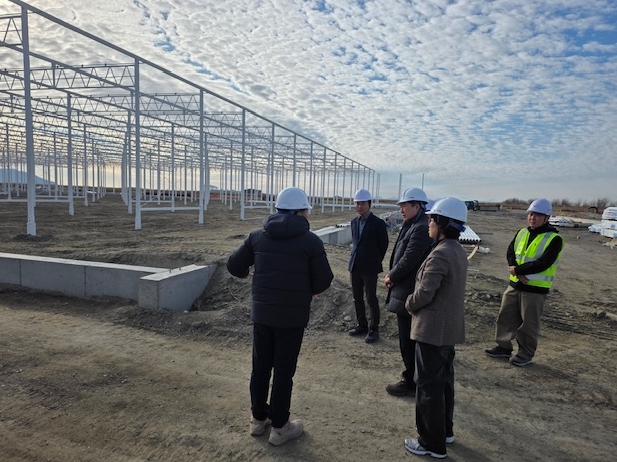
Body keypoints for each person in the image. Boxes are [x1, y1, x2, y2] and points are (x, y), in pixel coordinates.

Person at [226, 186, 334, 446]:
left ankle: (258, 419)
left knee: (260, 368)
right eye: (306, 210)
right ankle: (280, 428)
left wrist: (249, 274)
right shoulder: (311, 241)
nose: (308, 214)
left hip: (262, 315)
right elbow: (324, 280)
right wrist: (308, 288)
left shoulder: (257, 237)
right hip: (292, 319)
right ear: (299, 212)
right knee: (283, 372)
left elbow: (234, 265)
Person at [404, 197, 468, 459]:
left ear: (442, 224)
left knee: (428, 386)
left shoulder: (441, 253)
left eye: (432, 219)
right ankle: (444, 432)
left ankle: (431, 443)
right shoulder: (456, 250)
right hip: (447, 330)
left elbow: (425, 293)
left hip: (432, 331)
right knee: (443, 384)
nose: (428, 222)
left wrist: (409, 303)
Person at [485, 198, 564, 367]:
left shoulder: (554, 239)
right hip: (515, 285)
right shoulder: (522, 232)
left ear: (547, 217)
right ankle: (503, 347)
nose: (532, 218)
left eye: (537, 215)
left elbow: (544, 262)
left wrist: (519, 271)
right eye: (530, 214)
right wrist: (515, 269)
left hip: (534, 289)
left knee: (529, 323)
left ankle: (525, 353)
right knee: (505, 317)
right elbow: (510, 252)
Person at [384, 188, 432, 397]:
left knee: (408, 340)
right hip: (404, 288)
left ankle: (411, 381)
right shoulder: (412, 224)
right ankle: (413, 377)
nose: (401, 209)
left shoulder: (420, 228)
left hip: (408, 290)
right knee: (408, 339)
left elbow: (410, 258)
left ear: (417, 206)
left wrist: (392, 276)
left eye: (404, 205)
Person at [347, 188, 389, 343]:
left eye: (363, 203)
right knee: (357, 297)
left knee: (371, 298)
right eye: (357, 203)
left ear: (369, 204)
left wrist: (374, 260)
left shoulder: (378, 223)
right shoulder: (354, 222)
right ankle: (362, 325)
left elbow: (383, 245)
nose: (360, 206)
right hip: (355, 266)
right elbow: (355, 244)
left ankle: (374, 329)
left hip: (370, 268)